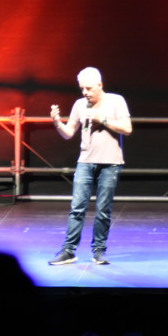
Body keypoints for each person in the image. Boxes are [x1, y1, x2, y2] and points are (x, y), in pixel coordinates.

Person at [48, 66, 132, 265]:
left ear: (100, 85)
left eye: (89, 88)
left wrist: (102, 119)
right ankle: (68, 250)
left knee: (103, 209)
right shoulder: (79, 105)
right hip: (85, 161)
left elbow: (127, 129)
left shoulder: (116, 101)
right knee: (77, 208)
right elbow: (69, 133)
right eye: (82, 88)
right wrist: (57, 122)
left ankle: (99, 250)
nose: (85, 92)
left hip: (110, 163)